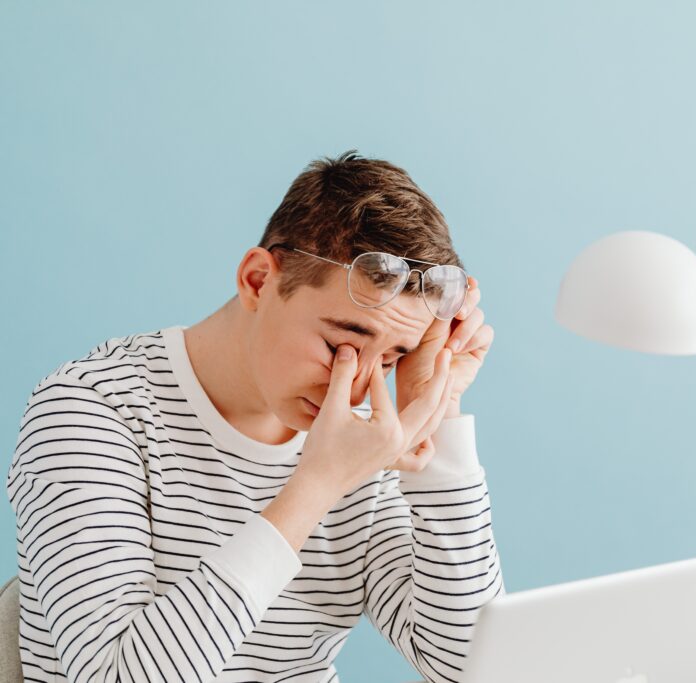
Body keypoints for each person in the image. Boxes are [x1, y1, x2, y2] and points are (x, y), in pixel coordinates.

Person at [6, 151, 503, 682]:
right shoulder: (92, 410)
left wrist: (438, 416)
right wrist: (316, 486)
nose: (358, 385)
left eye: (391, 358)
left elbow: (470, 671)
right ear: (259, 280)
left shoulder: (368, 437)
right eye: (341, 344)